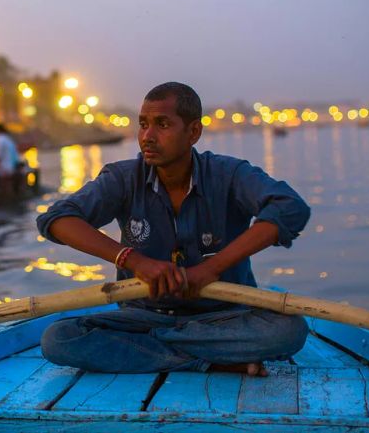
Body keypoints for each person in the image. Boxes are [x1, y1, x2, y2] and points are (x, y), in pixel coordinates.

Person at [36, 82, 311, 376]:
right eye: (143, 125)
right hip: (144, 316)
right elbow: (56, 219)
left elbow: (290, 207)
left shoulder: (227, 175)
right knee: (58, 339)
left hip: (223, 317)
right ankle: (210, 361)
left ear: (193, 132)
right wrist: (134, 260)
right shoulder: (123, 178)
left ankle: (152, 351)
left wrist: (212, 268)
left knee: (289, 330)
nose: (147, 137)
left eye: (162, 125)